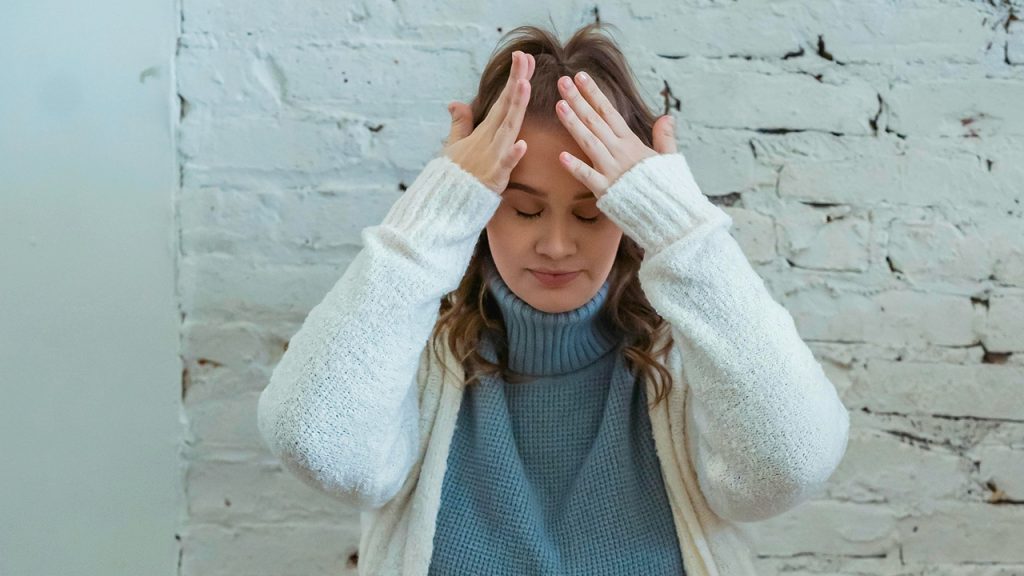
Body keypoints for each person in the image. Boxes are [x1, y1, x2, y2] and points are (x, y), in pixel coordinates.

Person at [257, 21, 850, 576]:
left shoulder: (692, 360)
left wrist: (683, 231)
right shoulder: (412, 357)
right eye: (524, 209)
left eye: (593, 212)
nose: (558, 245)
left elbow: (790, 464)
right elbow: (315, 443)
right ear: (480, 201)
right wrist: (429, 220)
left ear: (631, 212)